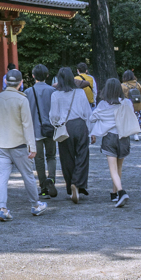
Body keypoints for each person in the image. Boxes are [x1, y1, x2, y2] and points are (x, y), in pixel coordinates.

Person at [0, 69, 50, 221]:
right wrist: (32, 146)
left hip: (1, 144)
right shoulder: (21, 99)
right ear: (21, 83)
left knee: (2, 177)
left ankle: (3, 208)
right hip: (19, 144)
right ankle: (35, 205)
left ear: (5, 82)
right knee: (28, 175)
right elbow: (27, 125)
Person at [89, 80, 137, 207]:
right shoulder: (126, 102)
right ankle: (114, 193)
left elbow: (92, 118)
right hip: (124, 136)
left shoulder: (103, 105)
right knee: (119, 167)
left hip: (109, 137)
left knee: (112, 169)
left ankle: (121, 192)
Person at [49, 66, 93, 203]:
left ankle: (71, 186)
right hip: (79, 125)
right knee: (82, 155)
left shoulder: (56, 94)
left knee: (66, 158)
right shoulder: (79, 93)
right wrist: (91, 131)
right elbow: (87, 112)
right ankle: (77, 183)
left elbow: (54, 115)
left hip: (65, 127)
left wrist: (56, 123)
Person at [27, 64, 58, 198]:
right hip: (50, 129)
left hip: (35, 130)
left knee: (38, 159)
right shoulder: (52, 91)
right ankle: (51, 179)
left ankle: (43, 188)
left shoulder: (28, 92)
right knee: (51, 156)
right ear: (47, 75)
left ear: (33, 76)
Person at [120, 70, 141, 138]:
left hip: (127, 106)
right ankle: (136, 134)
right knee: (137, 120)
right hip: (138, 106)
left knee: (127, 120)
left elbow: (121, 97)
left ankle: (126, 133)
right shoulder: (138, 84)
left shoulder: (122, 86)